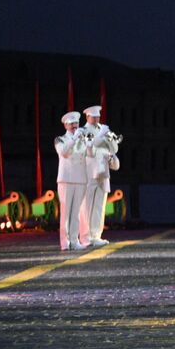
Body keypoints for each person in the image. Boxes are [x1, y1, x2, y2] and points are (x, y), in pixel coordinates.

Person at [78, 105, 116, 247]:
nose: (97, 118)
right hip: (88, 172)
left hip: (103, 171)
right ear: (87, 116)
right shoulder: (83, 131)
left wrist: (111, 140)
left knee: (99, 206)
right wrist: (101, 136)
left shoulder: (103, 129)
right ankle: (86, 237)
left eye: (98, 116)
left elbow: (113, 147)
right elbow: (89, 149)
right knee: (86, 206)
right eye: (94, 116)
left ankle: (96, 235)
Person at [55, 111, 88, 252]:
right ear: (66, 125)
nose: (75, 126)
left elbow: (90, 155)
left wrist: (88, 142)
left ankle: (75, 241)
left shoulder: (82, 139)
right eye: (72, 124)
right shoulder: (60, 139)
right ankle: (65, 242)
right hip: (66, 179)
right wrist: (74, 139)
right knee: (66, 212)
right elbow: (64, 153)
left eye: (77, 124)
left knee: (75, 213)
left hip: (80, 179)